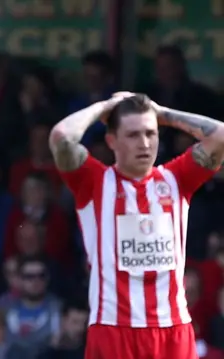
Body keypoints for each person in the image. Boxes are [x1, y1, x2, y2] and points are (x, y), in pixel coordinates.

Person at [49, 92, 224, 359]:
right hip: (113, 328)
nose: (144, 143)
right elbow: (61, 137)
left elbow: (221, 135)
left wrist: (162, 113)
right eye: (132, 135)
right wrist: (104, 108)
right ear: (111, 141)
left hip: (172, 328)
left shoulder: (178, 178)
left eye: (150, 133)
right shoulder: (93, 182)